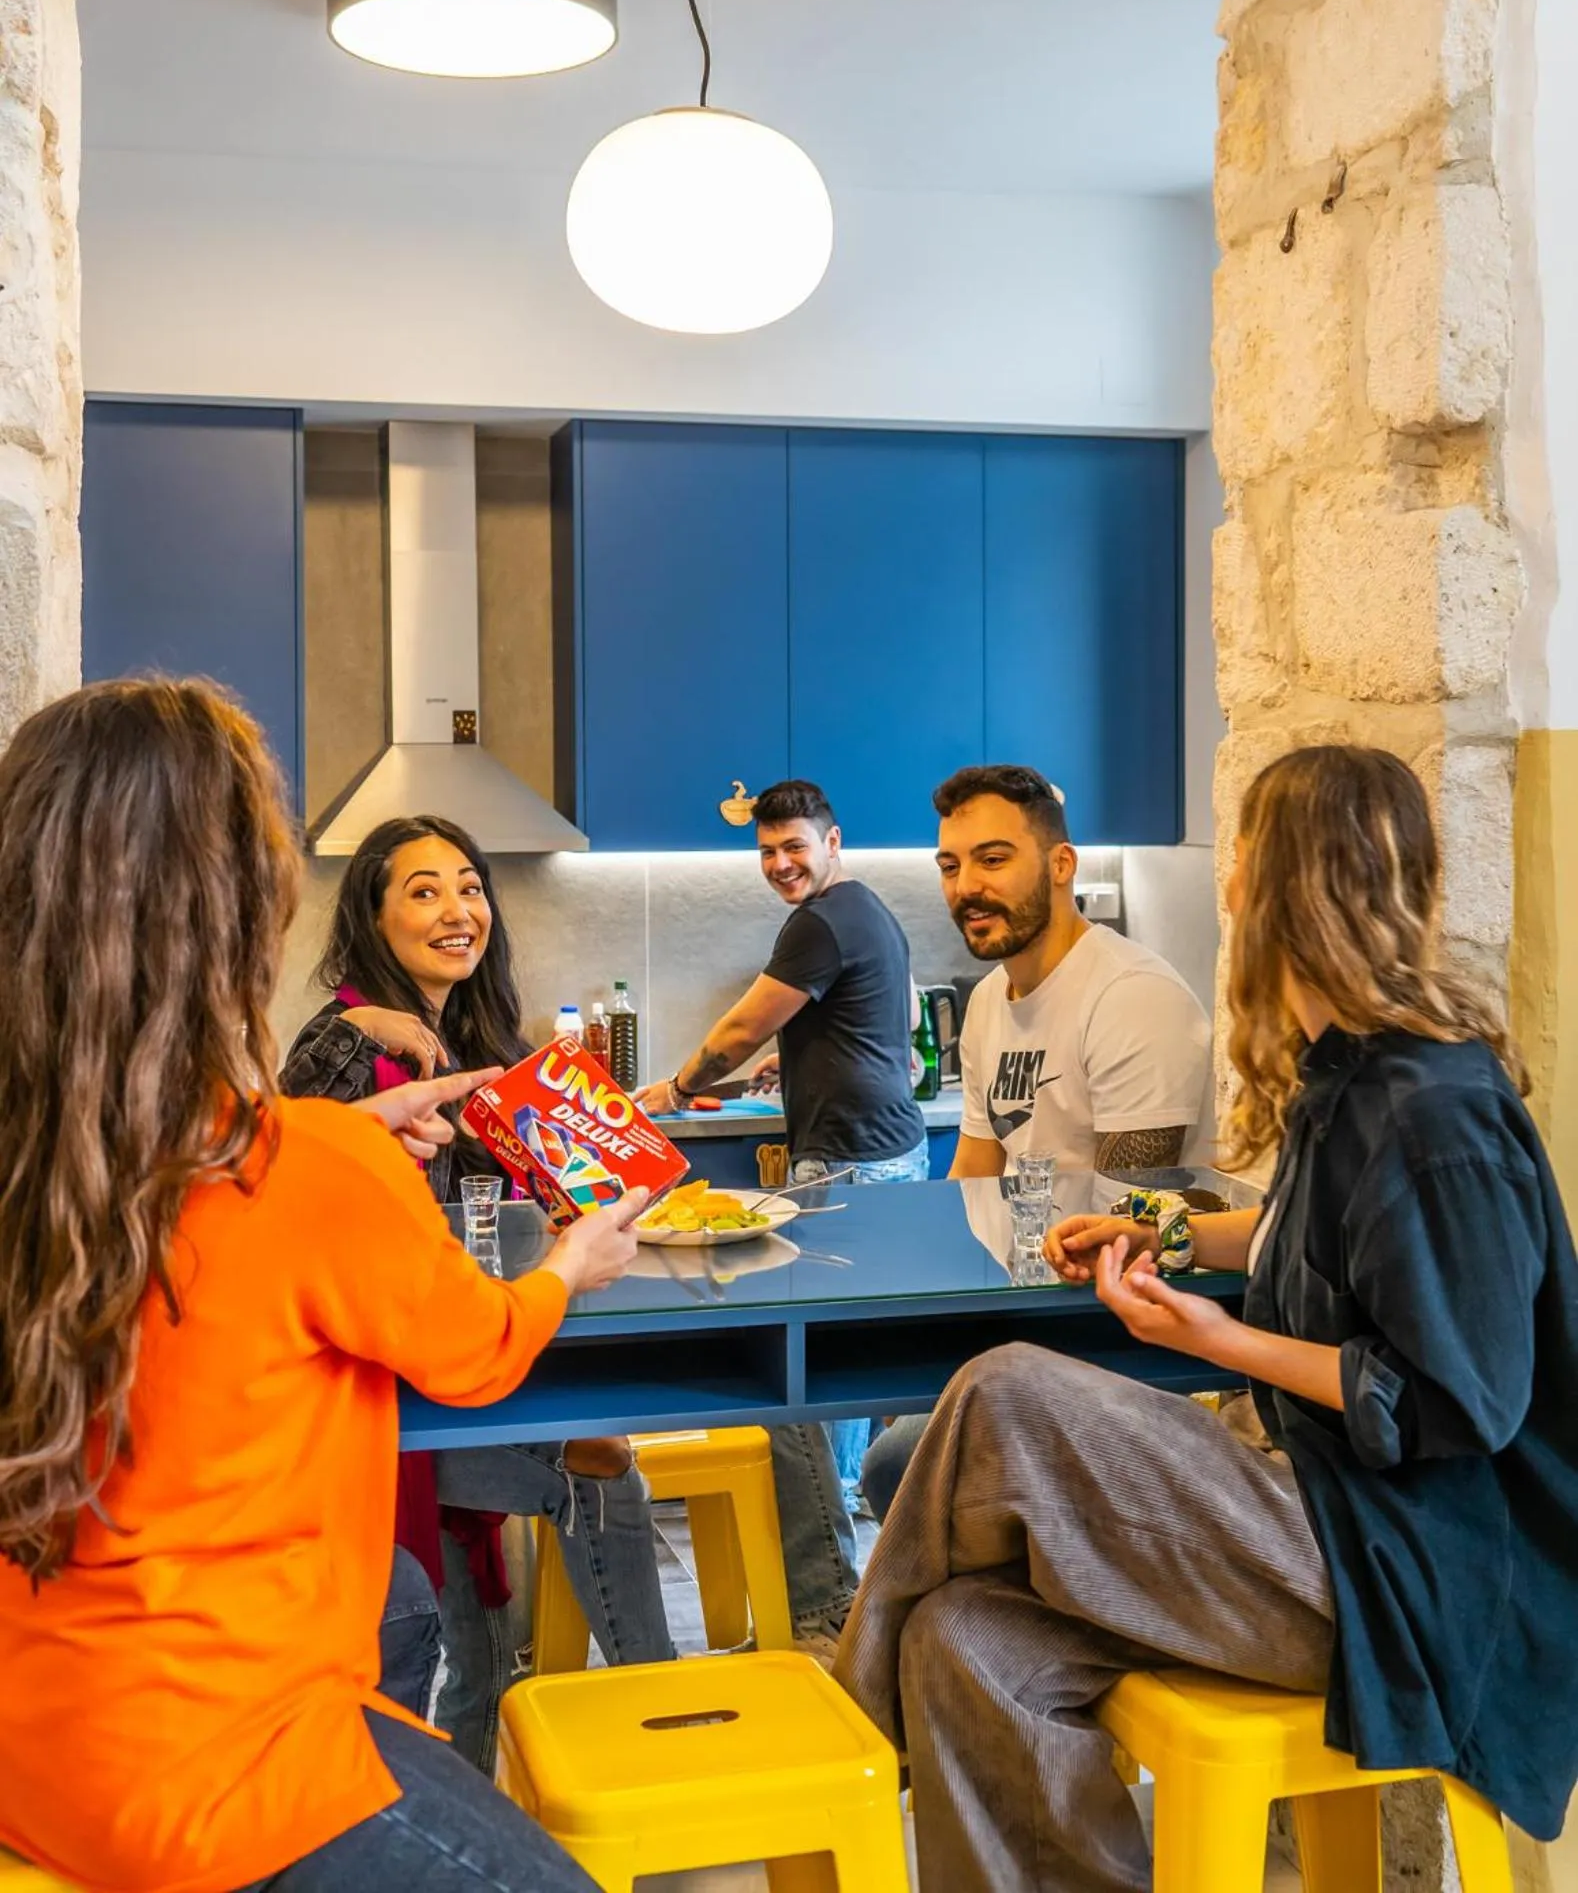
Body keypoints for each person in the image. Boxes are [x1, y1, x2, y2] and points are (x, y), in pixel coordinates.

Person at [836, 744, 1578, 1893]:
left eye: (1242, 846)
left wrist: (1210, 1336)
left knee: (1006, 1386)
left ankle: (839, 1722)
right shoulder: (1355, 1075)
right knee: (964, 1643)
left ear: (1283, 882)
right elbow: (1292, 1230)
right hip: (1315, 1517)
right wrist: (1165, 1234)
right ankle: (885, 1687)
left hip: (1403, 1574)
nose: (1224, 867)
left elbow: (1456, 1399)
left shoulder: (1437, 1113)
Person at [0, 677, 645, 1893]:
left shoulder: (43, 1154)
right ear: (244, 907)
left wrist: (335, 1128)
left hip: (32, 1743)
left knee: (405, 1610)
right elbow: (476, 1351)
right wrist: (575, 1258)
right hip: (216, 1772)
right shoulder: (309, 1165)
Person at [282, 815, 674, 1771]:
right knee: (602, 1468)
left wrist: (604, 1156)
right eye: (423, 891)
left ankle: (468, 1809)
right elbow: (301, 1209)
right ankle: (666, 1714)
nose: (460, 910)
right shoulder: (345, 1045)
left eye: (469, 886)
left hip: (463, 1363)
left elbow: (527, 1204)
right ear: (373, 917)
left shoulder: (475, 1039)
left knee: (483, 1654)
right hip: (384, 1404)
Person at [861, 762, 1213, 1519]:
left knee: (897, 1464)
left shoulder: (1130, 998)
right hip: (1026, 1320)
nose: (966, 889)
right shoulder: (990, 1001)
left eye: (993, 860)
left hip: (1121, 1340)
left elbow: (1140, 1221)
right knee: (890, 1451)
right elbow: (973, 1175)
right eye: (950, 867)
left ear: (1060, 865)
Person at [637, 779, 927, 1657]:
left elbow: (738, 1025)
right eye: (766, 852)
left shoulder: (822, 920)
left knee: (800, 1380)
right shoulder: (865, 910)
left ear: (832, 840)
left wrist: (680, 1087)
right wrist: (793, 1063)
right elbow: (885, 1020)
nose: (779, 864)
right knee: (849, 1380)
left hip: (848, 1162)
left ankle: (827, 1603)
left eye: (793, 846)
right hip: (887, 1151)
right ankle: (863, 1595)